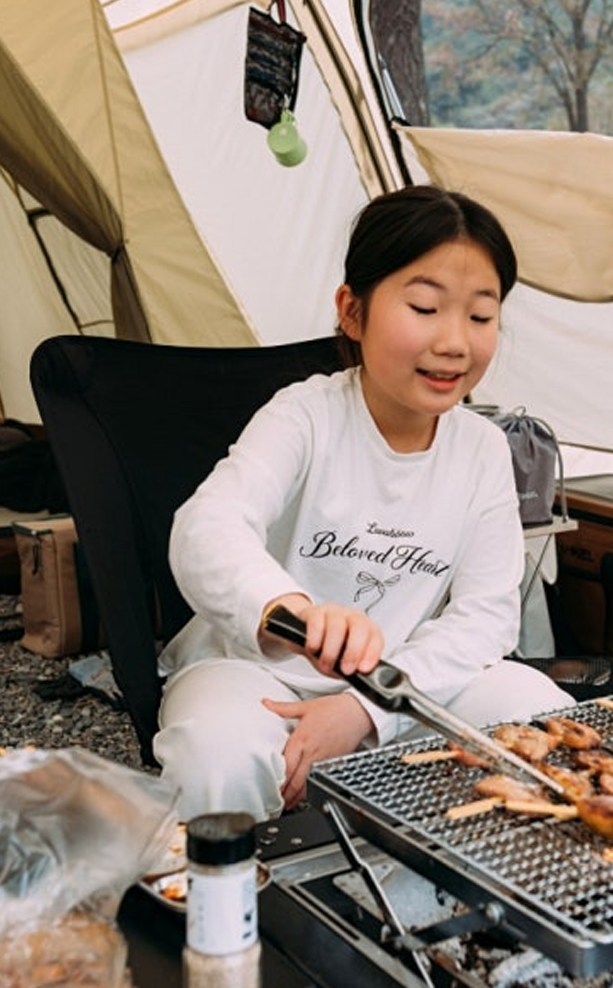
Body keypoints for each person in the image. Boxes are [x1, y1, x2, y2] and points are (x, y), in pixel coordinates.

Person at [153, 185, 575, 822]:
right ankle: (234, 913)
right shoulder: (306, 416)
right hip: (256, 677)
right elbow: (206, 528)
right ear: (353, 312)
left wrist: (365, 707)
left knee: (540, 719)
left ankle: (459, 903)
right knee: (221, 757)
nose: (456, 341)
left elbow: (484, 619)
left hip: (407, 681)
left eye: (481, 316)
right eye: (426, 307)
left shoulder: (484, 449)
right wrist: (292, 613)